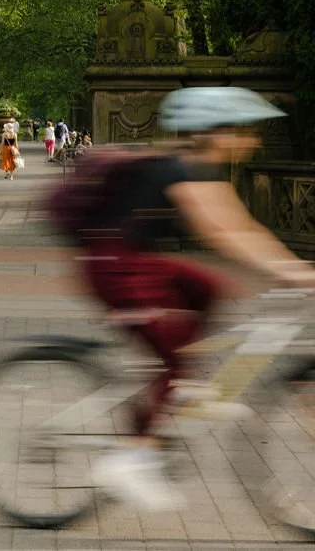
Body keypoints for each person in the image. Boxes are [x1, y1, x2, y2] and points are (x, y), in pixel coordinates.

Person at [81, 86, 315, 511]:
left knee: (208, 289)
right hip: (112, 265)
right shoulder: (180, 169)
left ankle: (178, 389)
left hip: (136, 260)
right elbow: (223, 235)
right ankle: (132, 456)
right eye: (245, 130)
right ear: (212, 131)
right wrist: (294, 272)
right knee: (172, 355)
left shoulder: (203, 168)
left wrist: (296, 269)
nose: (253, 139)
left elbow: (245, 230)